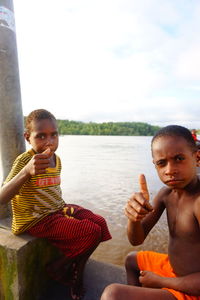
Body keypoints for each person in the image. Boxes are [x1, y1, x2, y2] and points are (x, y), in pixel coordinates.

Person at [0, 109, 111, 300]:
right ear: (28, 137)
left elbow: (53, 190)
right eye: (41, 136)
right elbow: (2, 197)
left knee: (99, 223)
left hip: (57, 209)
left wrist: (65, 210)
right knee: (90, 232)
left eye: (54, 135)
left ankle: (74, 266)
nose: (49, 141)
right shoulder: (25, 161)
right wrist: (26, 172)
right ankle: (62, 269)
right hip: (36, 218)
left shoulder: (56, 159)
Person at [101, 125, 200, 300]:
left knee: (113, 294)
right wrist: (134, 219)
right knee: (132, 260)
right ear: (155, 165)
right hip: (174, 270)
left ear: (197, 158)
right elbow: (136, 240)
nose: (170, 170)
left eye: (179, 158)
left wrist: (162, 281)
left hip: (193, 289)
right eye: (162, 163)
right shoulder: (166, 194)